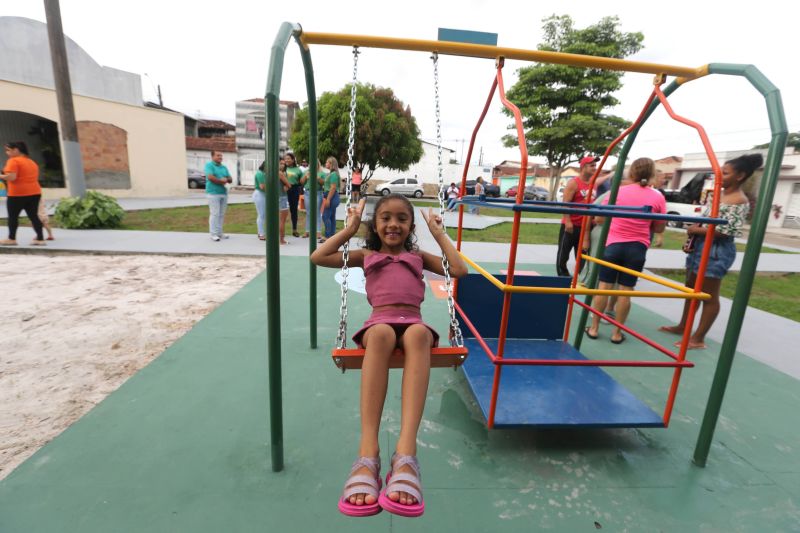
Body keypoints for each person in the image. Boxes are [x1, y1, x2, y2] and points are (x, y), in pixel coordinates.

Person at [310, 194, 467, 518]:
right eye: (385, 218)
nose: (393, 224)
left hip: (413, 321)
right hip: (378, 322)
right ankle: (368, 453)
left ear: (410, 225)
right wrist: (350, 227)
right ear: (375, 223)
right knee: (381, 333)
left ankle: (406, 452)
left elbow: (459, 270)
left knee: (421, 333)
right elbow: (319, 256)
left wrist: (439, 234)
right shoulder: (366, 254)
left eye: (401, 218)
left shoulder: (417, 256)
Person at [659, 153, 763, 350]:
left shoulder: (738, 200)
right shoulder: (719, 194)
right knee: (692, 290)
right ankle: (684, 326)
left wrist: (696, 229)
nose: (719, 175)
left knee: (708, 295)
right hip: (700, 246)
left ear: (740, 176)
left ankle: (698, 338)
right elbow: (708, 218)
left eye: (724, 173)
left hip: (716, 250)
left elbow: (727, 231)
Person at [586, 158, 666, 344]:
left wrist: (615, 220)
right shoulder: (657, 196)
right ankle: (616, 333)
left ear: (632, 173)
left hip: (614, 246)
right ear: (652, 174)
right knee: (626, 291)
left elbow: (598, 218)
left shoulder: (618, 192)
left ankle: (595, 328)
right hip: (637, 248)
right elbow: (660, 227)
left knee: (604, 287)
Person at [556, 155, 600, 277]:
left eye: (595, 165)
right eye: (591, 165)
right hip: (571, 225)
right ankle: (562, 275)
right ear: (583, 167)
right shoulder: (574, 183)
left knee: (582, 253)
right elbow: (565, 204)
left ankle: (580, 275)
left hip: (586, 226)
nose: (594, 168)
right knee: (563, 253)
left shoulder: (594, 183)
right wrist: (568, 221)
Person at [0, 141, 45, 246]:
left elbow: (12, 177)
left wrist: (1, 176)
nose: (7, 153)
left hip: (17, 194)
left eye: (8, 150)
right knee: (33, 216)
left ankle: (12, 239)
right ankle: (40, 238)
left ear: (16, 150)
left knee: (13, 217)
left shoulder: (13, 161)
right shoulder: (31, 162)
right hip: (34, 192)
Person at [204, 150, 232, 242]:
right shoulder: (209, 165)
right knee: (214, 213)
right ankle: (213, 234)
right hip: (213, 193)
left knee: (221, 214)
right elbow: (210, 177)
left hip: (223, 193)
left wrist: (227, 179)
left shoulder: (224, 167)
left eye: (221, 155)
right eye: (218, 155)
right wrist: (222, 181)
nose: (220, 157)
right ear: (212, 156)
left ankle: (220, 232)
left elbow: (230, 178)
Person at [300, 160, 325, 240]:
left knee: (317, 212)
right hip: (307, 193)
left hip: (318, 193)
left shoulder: (321, 173)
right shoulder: (306, 172)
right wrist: (305, 176)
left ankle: (318, 232)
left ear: (318, 165)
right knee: (308, 212)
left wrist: (317, 177)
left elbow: (323, 183)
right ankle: (307, 232)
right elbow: (302, 182)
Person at [320, 156, 341, 242]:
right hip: (331, 196)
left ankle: (328, 236)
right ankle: (332, 236)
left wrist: (328, 199)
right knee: (331, 217)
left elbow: (333, 188)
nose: (326, 164)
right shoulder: (332, 174)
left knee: (325, 216)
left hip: (331, 196)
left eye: (327, 162)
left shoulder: (334, 175)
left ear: (332, 164)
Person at [283, 153, 304, 237]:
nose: (287, 160)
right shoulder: (283, 168)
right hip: (283, 190)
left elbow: (301, 182)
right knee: (282, 210)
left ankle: (294, 230)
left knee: (294, 210)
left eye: (288, 158)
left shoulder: (298, 170)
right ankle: (281, 230)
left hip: (294, 190)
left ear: (293, 160)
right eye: (285, 158)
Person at [277, 159, 291, 244]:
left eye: (283, 164)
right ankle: (282, 240)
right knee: (282, 220)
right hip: (282, 197)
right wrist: (287, 186)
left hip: (274, 197)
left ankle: (276, 238)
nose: (283, 165)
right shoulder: (280, 173)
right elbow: (288, 185)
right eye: (281, 163)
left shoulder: (268, 172)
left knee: (276, 220)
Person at [253, 162, 267, 240]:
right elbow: (262, 186)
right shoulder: (260, 174)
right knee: (261, 215)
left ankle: (261, 232)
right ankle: (261, 234)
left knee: (263, 215)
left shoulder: (264, 173)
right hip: (260, 194)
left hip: (263, 195)